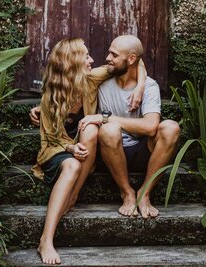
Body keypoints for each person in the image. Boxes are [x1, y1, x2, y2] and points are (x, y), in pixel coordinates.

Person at [31, 38, 146, 265]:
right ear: (71, 62)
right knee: (71, 164)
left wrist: (141, 86)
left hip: (85, 148)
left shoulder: (91, 81)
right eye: (86, 56)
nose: (92, 60)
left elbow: (135, 62)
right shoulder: (50, 97)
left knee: (92, 126)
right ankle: (46, 239)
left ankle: (74, 194)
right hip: (57, 150)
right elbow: (51, 140)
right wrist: (71, 147)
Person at [78, 35, 181, 219]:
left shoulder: (148, 86)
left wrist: (105, 118)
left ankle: (145, 193)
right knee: (108, 130)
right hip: (110, 150)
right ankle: (127, 192)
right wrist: (42, 107)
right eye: (109, 52)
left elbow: (151, 127)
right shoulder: (99, 81)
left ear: (131, 59)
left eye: (114, 54)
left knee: (171, 127)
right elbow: (64, 86)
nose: (108, 57)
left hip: (142, 149)